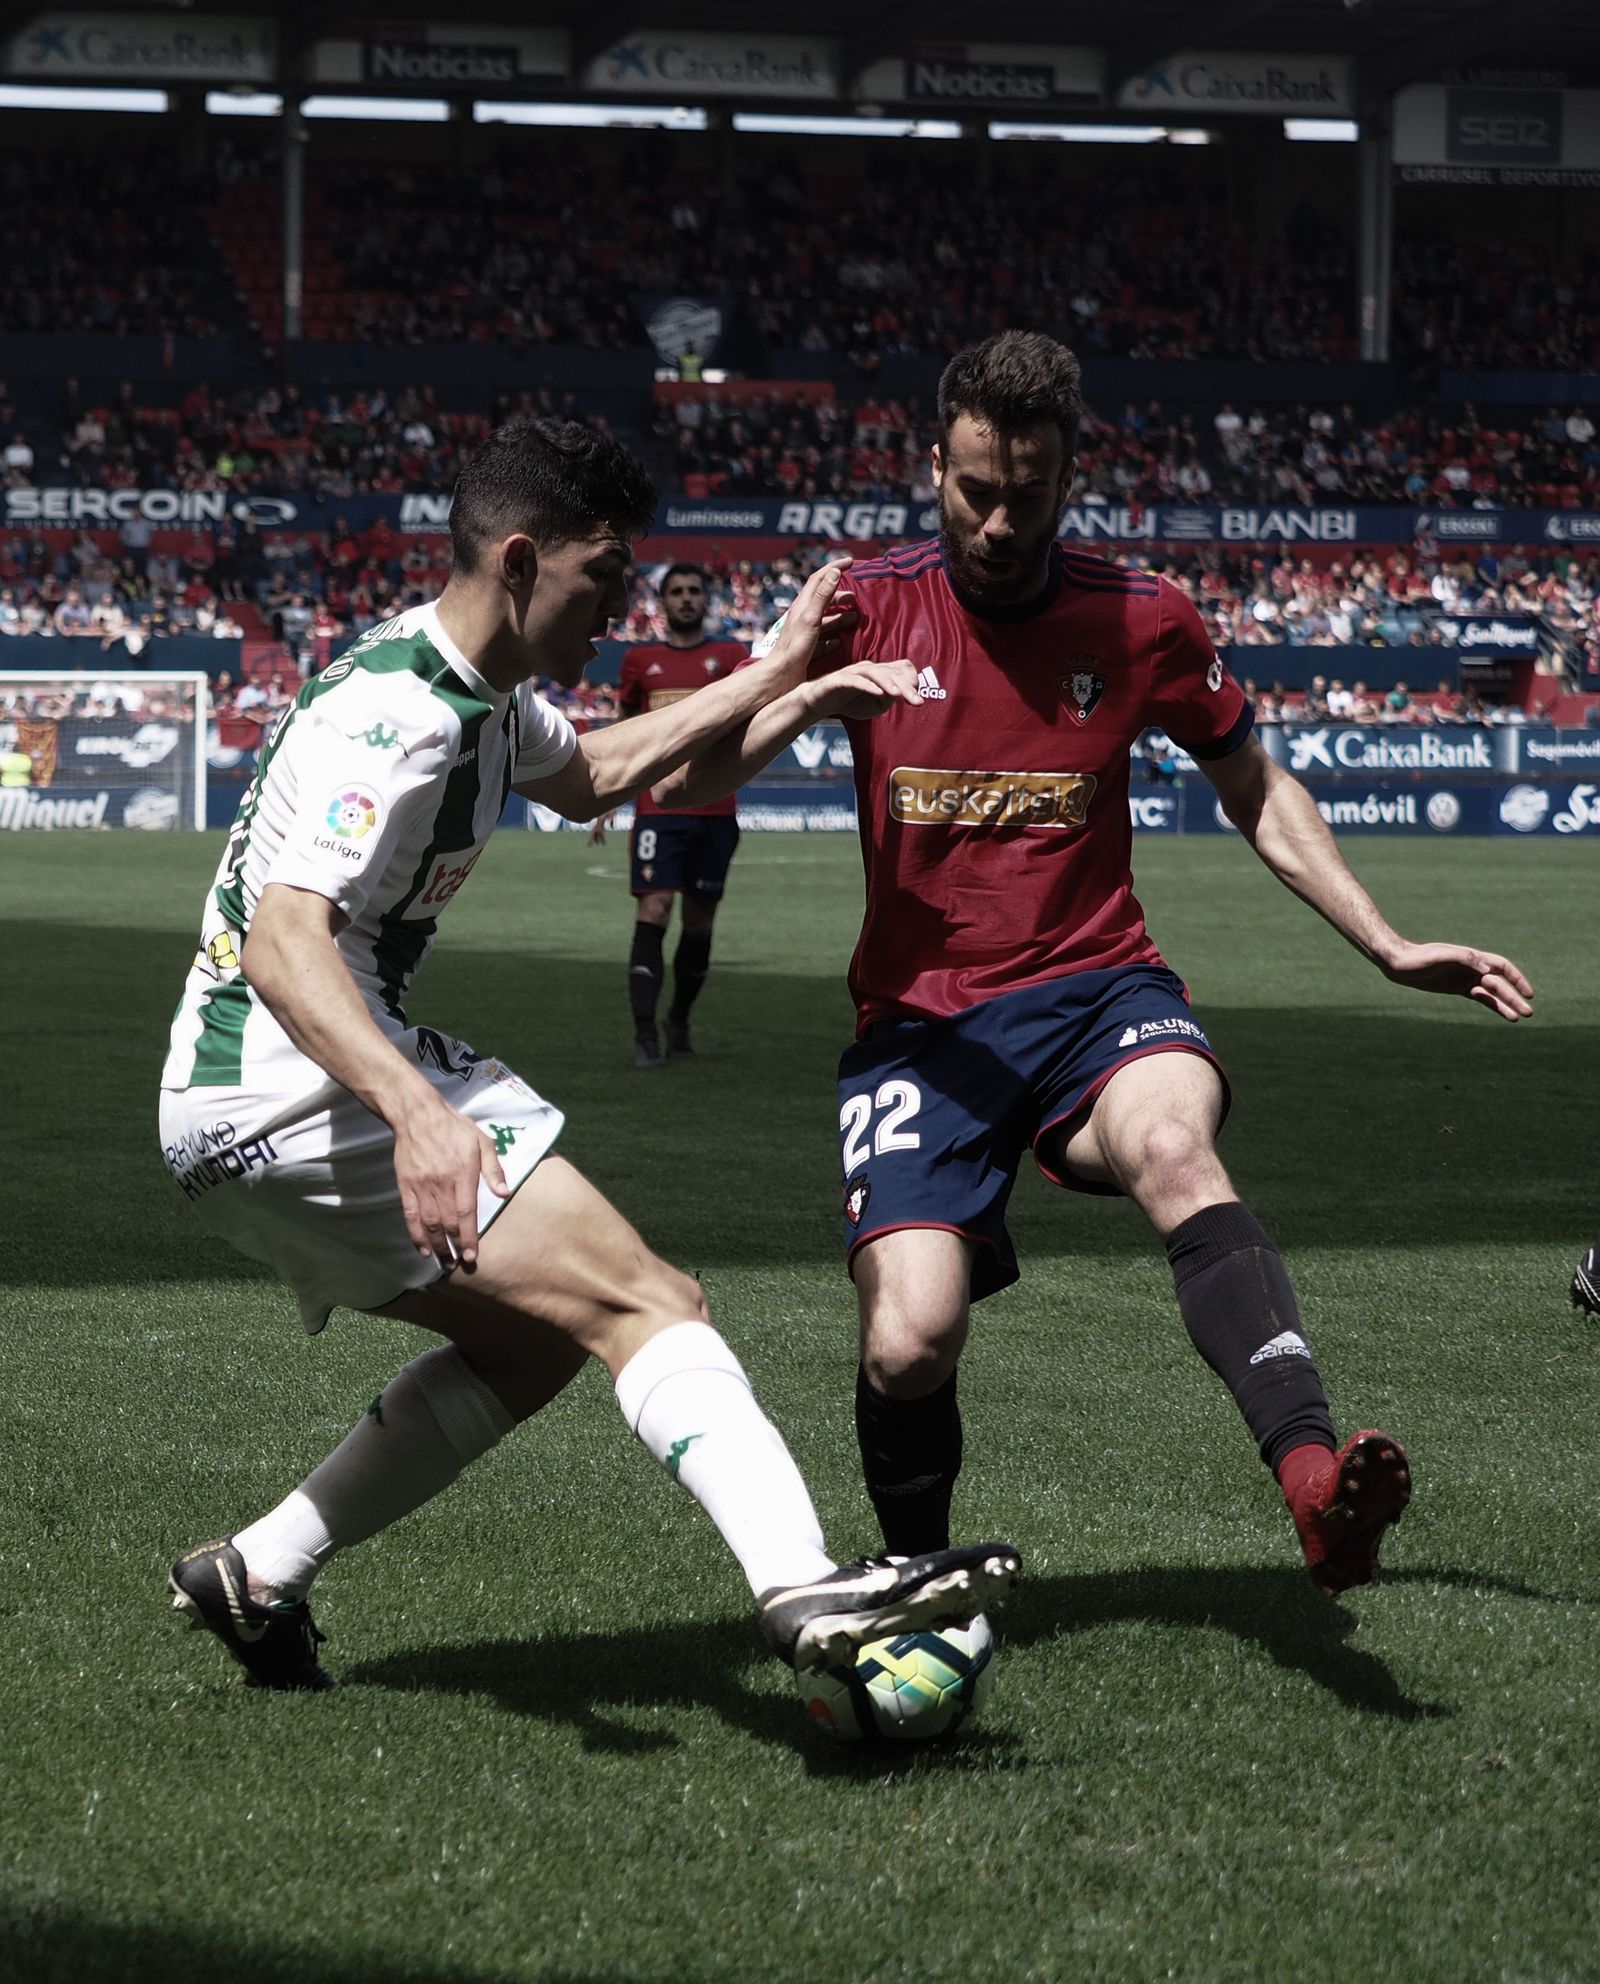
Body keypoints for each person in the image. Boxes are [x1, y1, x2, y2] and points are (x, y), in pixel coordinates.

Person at [654, 330, 1535, 1598]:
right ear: (934, 467)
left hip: (1096, 989)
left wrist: (1386, 942)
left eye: (1028, 493)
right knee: (910, 1339)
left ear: (1071, 480)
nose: (998, 521)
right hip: (920, 1029)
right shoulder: (867, 601)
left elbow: (1255, 787)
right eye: (973, 490)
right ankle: (914, 1584)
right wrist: (792, 682)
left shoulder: (1142, 618)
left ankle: (1313, 1488)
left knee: (1175, 1149)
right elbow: (690, 783)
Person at [157, 416, 1018, 1695]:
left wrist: (784, 674)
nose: (616, 609)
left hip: (243, 1103)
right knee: (648, 1300)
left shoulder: (482, 695)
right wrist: (416, 1112)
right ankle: (800, 1585)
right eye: (599, 578)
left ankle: (259, 1569)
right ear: (518, 559)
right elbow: (286, 944)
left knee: (531, 1345)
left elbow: (601, 772)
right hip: (292, 1080)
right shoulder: (393, 715)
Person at [610, 564, 750, 1068]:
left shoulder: (733, 657)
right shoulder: (638, 660)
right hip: (657, 810)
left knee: (699, 924)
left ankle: (679, 1022)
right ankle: (645, 1035)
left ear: (707, 600)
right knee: (654, 912)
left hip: (715, 811)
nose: (686, 598)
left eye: (694, 590)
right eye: (677, 592)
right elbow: (625, 727)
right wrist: (610, 791)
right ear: (662, 602)